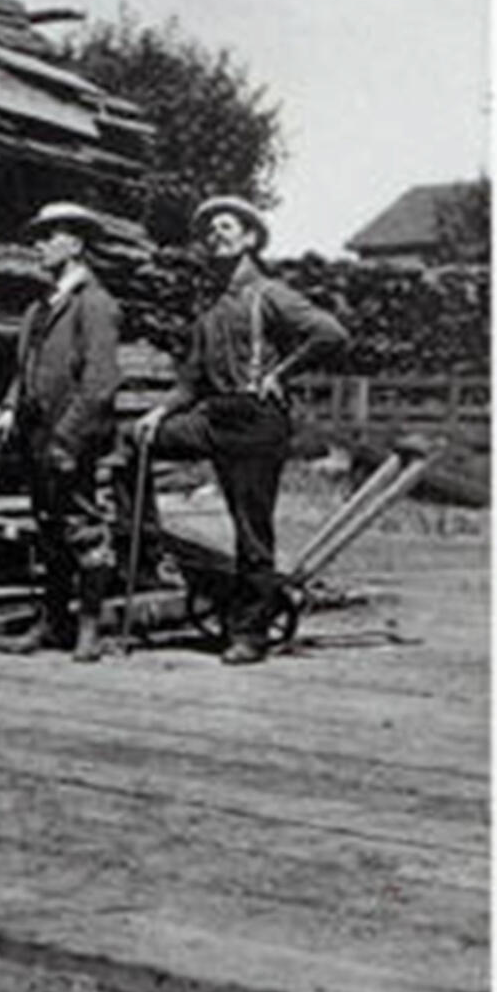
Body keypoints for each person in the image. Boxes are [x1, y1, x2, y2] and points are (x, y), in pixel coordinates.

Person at [126, 195, 350, 665]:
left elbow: (330, 333)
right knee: (133, 443)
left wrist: (281, 373)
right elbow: (191, 381)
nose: (216, 234)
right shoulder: (210, 311)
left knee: (251, 531)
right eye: (209, 230)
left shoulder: (271, 294)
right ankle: (146, 551)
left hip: (256, 422)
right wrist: (158, 414)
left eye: (226, 226)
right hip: (213, 418)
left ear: (250, 238)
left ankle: (250, 633)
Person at [0, 201, 123, 663]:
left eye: (49, 236)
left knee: (84, 529)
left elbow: (101, 383)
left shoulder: (96, 304)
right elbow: (24, 368)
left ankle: (90, 626)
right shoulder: (39, 307)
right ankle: (53, 620)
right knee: (49, 529)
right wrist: (9, 408)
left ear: (77, 244)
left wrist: (68, 438)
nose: (38, 245)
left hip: (73, 439)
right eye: (38, 236)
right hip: (36, 436)